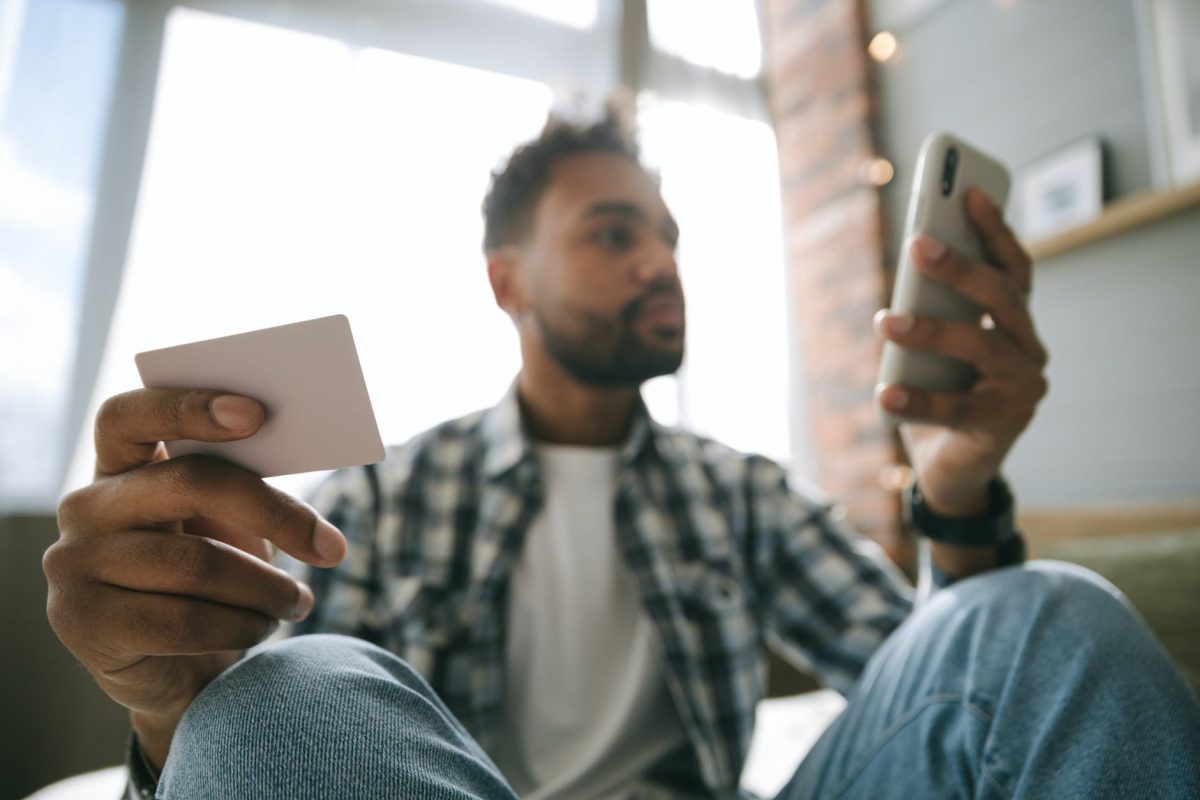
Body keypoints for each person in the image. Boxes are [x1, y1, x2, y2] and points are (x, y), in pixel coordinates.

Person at [45, 110, 1200, 800]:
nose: (661, 263)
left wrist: (953, 490)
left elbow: (960, 685)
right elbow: (280, 749)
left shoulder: (735, 489)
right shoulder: (385, 496)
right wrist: (170, 711)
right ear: (507, 281)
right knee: (283, 686)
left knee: (1051, 608)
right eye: (613, 233)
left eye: (670, 236)